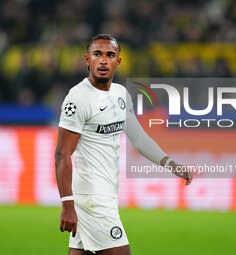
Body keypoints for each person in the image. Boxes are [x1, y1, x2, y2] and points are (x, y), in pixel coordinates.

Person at [55, 34, 192, 255]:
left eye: (110, 55)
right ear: (87, 59)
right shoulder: (77, 99)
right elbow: (62, 154)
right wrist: (67, 204)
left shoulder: (120, 94)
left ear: (118, 61)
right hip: (91, 199)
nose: (103, 60)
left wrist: (171, 164)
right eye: (97, 54)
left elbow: (138, 139)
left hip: (106, 194)